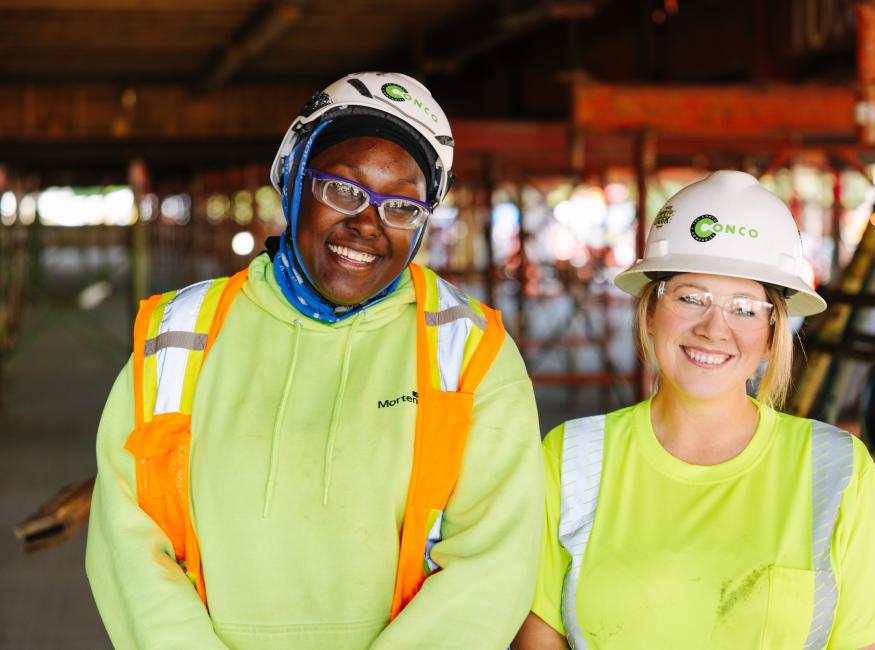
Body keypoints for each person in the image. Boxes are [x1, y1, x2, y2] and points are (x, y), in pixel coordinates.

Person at [86, 72, 544, 649]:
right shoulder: (182, 334)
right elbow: (128, 537)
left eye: (401, 205)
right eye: (344, 189)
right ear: (293, 181)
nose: (367, 224)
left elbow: (493, 560)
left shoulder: (470, 353)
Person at [513, 170, 875, 649]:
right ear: (650, 309)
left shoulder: (837, 470)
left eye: (745, 308)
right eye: (691, 298)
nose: (715, 328)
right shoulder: (572, 458)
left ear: (774, 333)